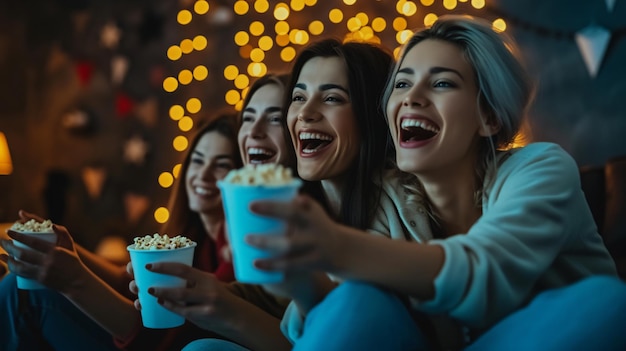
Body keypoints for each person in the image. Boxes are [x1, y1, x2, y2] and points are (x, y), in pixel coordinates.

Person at [247, 15, 626, 350]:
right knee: (358, 299)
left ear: (489, 117)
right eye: (402, 84)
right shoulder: (385, 200)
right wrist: (301, 281)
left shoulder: (540, 168)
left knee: (605, 301)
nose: (412, 97)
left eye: (442, 84)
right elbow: (338, 316)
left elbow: (485, 272)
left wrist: (336, 246)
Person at [0, 112, 246, 350]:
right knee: (19, 288)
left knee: (23, 294)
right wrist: (69, 248)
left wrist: (74, 281)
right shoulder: (196, 235)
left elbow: (168, 335)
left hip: (159, 344)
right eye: (198, 160)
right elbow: (125, 281)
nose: (203, 175)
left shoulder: (237, 252)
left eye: (221, 165)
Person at [133, 73, 303, 351]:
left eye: (274, 118)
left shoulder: (284, 226)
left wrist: (75, 279)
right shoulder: (223, 231)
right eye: (248, 117)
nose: (254, 131)